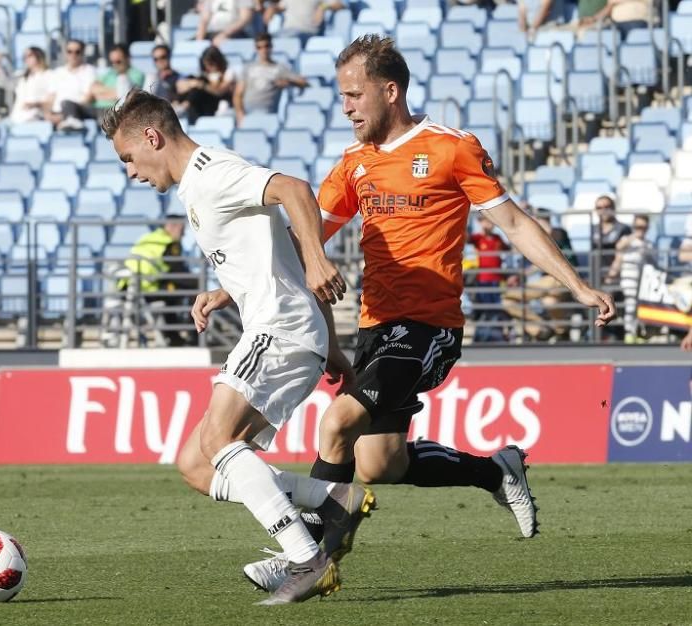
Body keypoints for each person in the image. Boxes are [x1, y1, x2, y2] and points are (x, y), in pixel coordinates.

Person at [242, 34, 616, 591]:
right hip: (376, 325)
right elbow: (308, 238)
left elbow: (512, 222)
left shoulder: (450, 147)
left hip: (429, 327)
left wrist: (576, 284)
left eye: (353, 95)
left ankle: (306, 558)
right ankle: (495, 470)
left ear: (389, 91)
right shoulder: (355, 163)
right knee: (380, 466)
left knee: (336, 423)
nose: (345, 107)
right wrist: (236, 286)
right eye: (341, 96)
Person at [101, 89, 375, 605]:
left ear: (152, 137)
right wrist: (328, 345)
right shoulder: (195, 187)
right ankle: (331, 496)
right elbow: (275, 256)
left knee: (220, 442)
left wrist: (318, 261)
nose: (131, 172)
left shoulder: (211, 172)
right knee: (196, 464)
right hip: (286, 329)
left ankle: (307, 558)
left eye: (128, 158)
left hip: (279, 329)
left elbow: (294, 189)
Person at [117, 215, 198, 346]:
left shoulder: (148, 238)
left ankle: (175, 337)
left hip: (127, 286)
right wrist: (198, 282)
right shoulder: (168, 243)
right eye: (182, 229)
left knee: (173, 293)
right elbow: (177, 269)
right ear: (173, 226)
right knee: (193, 291)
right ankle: (194, 336)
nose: (183, 234)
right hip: (148, 287)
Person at [502, 207, 577, 341]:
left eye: (536, 218)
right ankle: (542, 329)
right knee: (509, 301)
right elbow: (535, 260)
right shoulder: (535, 236)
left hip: (563, 278)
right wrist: (522, 274)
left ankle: (559, 331)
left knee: (549, 301)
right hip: (548, 281)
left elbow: (551, 238)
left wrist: (541, 224)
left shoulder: (559, 232)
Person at [233, 33, 308, 126]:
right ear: (256, 49)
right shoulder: (248, 68)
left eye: (266, 46)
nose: (263, 50)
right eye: (259, 47)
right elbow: (238, 94)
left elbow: (304, 82)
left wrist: (289, 82)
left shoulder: (280, 68)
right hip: (247, 113)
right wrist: (240, 113)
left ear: (271, 47)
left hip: (267, 113)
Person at [606, 214, 654, 342]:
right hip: (629, 277)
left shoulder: (648, 244)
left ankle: (637, 332)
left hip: (644, 280)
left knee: (641, 306)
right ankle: (629, 333)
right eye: (638, 226)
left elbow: (652, 262)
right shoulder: (627, 239)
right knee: (631, 305)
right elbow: (619, 247)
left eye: (643, 227)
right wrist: (634, 236)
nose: (640, 229)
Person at [468, 213, 509, 342]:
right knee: (485, 308)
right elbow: (467, 238)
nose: (488, 224)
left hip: (497, 280)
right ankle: (482, 336)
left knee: (496, 307)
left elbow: (508, 249)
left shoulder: (498, 238)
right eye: (485, 221)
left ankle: (495, 335)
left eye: (490, 221)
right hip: (483, 279)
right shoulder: (478, 238)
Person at [45, 39, 98, 131]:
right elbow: (50, 98)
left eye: (77, 52)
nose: (73, 55)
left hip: (78, 112)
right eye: (69, 51)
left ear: (82, 53)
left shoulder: (89, 71)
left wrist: (66, 115)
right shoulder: (57, 73)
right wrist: (48, 115)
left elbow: (88, 97)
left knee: (67, 104)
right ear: (65, 53)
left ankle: (70, 120)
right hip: (57, 114)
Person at [176, 46, 237, 124]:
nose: (208, 68)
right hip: (204, 104)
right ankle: (179, 104)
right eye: (206, 65)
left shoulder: (229, 73)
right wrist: (192, 83)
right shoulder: (207, 74)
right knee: (193, 81)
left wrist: (200, 84)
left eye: (211, 64)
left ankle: (184, 106)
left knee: (199, 83)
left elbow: (220, 91)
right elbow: (179, 86)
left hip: (219, 103)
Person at [0, 47, 52, 124]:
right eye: (24, 56)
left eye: (29, 55)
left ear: (38, 56)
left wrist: (35, 104)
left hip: (35, 117)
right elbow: (5, 83)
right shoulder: (22, 77)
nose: (26, 59)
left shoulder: (48, 75)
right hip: (17, 117)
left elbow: (52, 99)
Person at [263, 0, 344, 39]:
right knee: (265, 40)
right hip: (287, 31)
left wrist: (323, 7)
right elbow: (280, 6)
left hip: (307, 31)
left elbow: (340, 5)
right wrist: (272, 8)